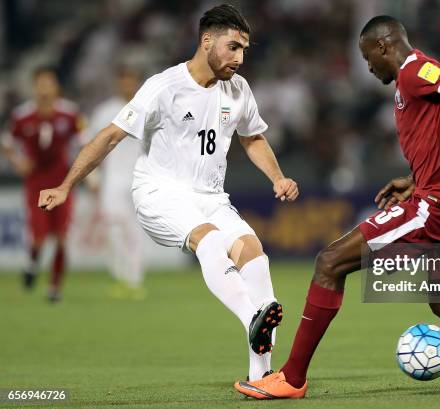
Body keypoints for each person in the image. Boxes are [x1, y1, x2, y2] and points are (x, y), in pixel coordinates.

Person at [235, 15, 440, 399]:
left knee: (330, 263)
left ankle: (292, 378)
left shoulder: (414, 71)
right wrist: (415, 179)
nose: (368, 67)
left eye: (368, 58)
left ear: (384, 46)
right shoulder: (416, 84)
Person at [37, 4, 298, 382]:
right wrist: (65, 186)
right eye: (232, 47)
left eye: (243, 50)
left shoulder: (238, 89)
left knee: (256, 257)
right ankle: (252, 318)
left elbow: (253, 137)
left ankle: (261, 376)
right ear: (206, 40)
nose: (239, 58)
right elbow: (109, 137)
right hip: (159, 193)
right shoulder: (165, 87)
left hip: (210, 197)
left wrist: (277, 177)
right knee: (209, 242)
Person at [1, 66, 82, 303]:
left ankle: (54, 288)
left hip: (61, 183)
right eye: (41, 84)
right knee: (39, 237)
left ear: (56, 87)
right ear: (34, 88)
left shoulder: (69, 114)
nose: (45, 89)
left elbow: (83, 143)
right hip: (36, 183)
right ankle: (32, 263)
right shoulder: (22, 116)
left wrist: (88, 176)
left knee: (61, 238)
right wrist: (17, 162)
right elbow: (6, 141)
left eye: (49, 83)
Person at [85, 67, 147, 299]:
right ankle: (121, 276)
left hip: (142, 180)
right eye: (123, 80)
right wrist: (92, 177)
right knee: (113, 230)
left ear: (137, 83)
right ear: (117, 83)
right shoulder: (105, 112)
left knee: (134, 231)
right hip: (112, 180)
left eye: (130, 80)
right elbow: (92, 144)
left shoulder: (148, 108)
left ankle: (134, 280)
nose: (126, 85)